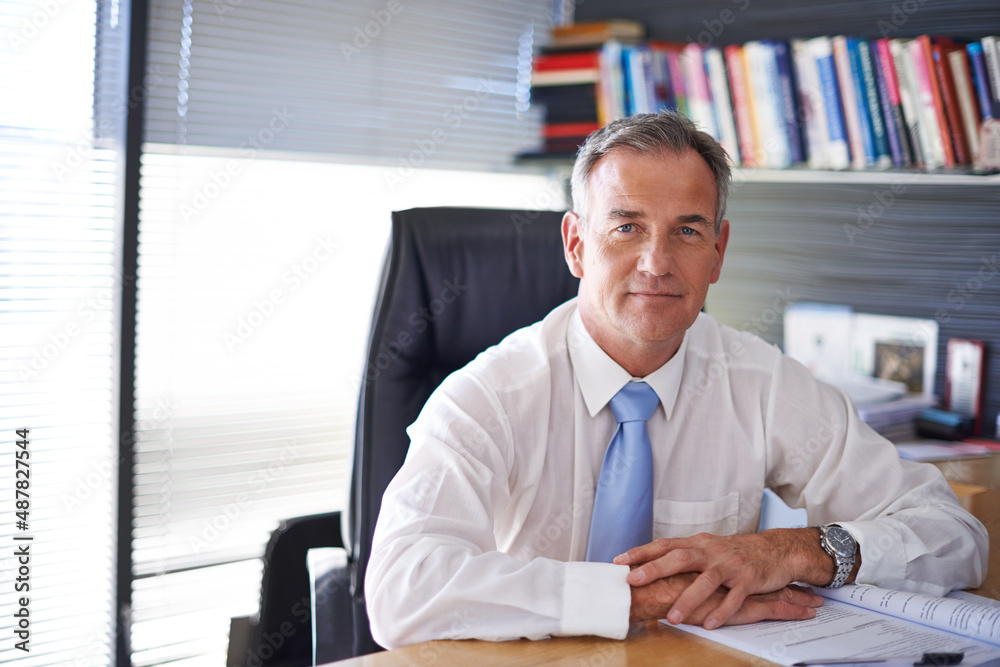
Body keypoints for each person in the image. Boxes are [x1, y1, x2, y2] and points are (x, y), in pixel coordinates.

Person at [365, 111, 988, 649]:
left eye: (686, 230)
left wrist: (797, 550)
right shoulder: (489, 396)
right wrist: (640, 596)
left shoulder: (759, 380)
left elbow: (954, 536)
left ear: (717, 253)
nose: (656, 263)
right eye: (627, 225)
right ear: (577, 244)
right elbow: (400, 588)